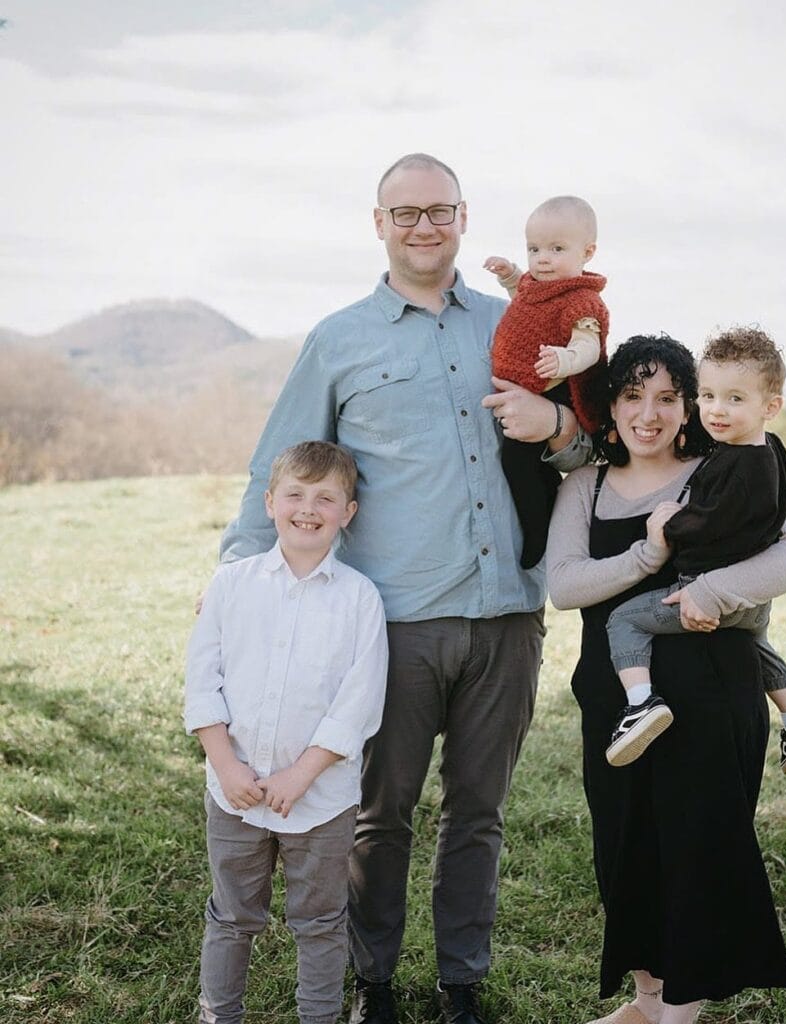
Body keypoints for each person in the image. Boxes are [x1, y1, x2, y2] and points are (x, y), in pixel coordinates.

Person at [219, 153, 588, 1024]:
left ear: (463, 217)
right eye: (406, 212)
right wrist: (237, 573)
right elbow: (279, 463)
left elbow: (585, 454)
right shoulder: (339, 339)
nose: (424, 226)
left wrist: (561, 422)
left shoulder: (514, 327)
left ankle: (461, 981)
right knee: (379, 814)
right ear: (377, 223)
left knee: (479, 813)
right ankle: (371, 982)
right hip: (391, 623)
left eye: (440, 211)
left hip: (506, 613)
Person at [547, 335, 786, 1024]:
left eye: (667, 397)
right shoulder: (588, 485)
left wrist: (714, 592)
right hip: (617, 702)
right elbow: (565, 585)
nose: (649, 412)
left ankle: (681, 1011)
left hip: (709, 697)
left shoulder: (716, 471)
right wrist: (649, 553)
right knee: (624, 850)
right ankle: (645, 1000)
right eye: (633, 396)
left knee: (697, 852)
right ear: (610, 406)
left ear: (686, 407)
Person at [184, 441, 389, 1024]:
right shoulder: (231, 585)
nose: (308, 508)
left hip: (322, 799)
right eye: (295, 494)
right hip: (236, 793)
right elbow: (203, 683)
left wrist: (301, 775)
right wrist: (226, 766)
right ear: (270, 502)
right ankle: (220, 1014)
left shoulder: (359, 599)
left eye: (326, 498)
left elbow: (359, 702)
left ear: (347, 512)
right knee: (231, 915)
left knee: (320, 921)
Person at [604, 327, 786, 773]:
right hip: (753, 601)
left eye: (734, 399)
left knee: (624, 621)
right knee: (758, 645)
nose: (715, 410)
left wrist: (670, 525)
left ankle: (641, 704)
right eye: (706, 395)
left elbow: (712, 521)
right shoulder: (770, 450)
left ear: (771, 407)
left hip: (704, 592)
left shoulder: (740, 467)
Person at [484, 195, 609, 569]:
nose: (542, 258)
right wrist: (509, 276)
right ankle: (548, 498)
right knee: (527, 462)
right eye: (534, 248)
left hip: (558, 391)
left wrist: (565, 359)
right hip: (532, 388)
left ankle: (538, 530)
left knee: (516, 458)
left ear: (587, 252)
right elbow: (523, 303)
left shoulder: (582, 301)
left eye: (556, 249)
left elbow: (589, 344)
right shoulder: (538, 286)